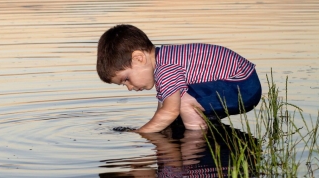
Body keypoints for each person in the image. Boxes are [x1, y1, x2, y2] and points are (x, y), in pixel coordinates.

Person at [96, 24, 262, 133]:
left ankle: (196, 142)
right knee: (175, 112)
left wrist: (141, 132)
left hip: (242, 86)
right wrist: (156, 125)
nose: (129, 87)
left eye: (126, 79)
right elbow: (164, 108)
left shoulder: (165, 68)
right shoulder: (163, 62)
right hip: (241, 82)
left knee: (181, 102)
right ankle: (205, 126)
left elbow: (170, 110)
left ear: (139, 58)